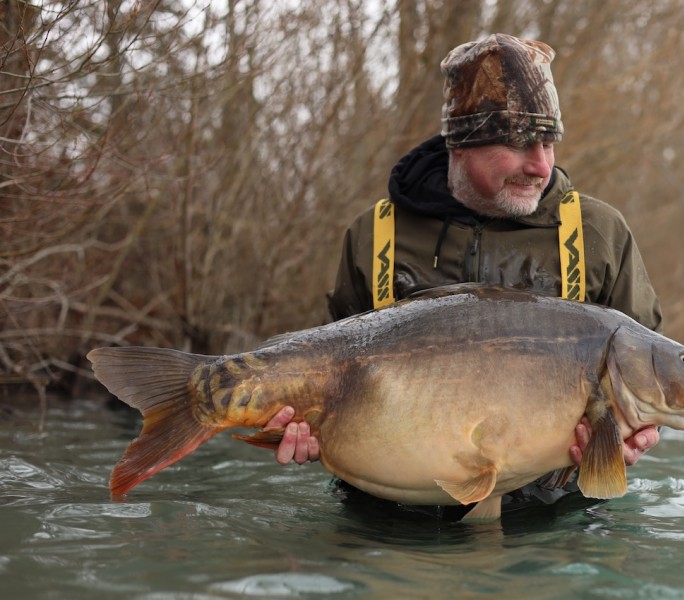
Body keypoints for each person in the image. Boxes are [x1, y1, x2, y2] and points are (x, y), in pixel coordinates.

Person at [266, 33, 662, 518]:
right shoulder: (374, 233)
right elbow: (328, 382)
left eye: (548, 141)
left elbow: (649, 380)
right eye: (517, 143)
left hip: (552, 525)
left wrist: (635, 438)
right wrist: (302, 433)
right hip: (389, 526)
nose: (540, 165)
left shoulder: (600, 233)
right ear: (460, 143)